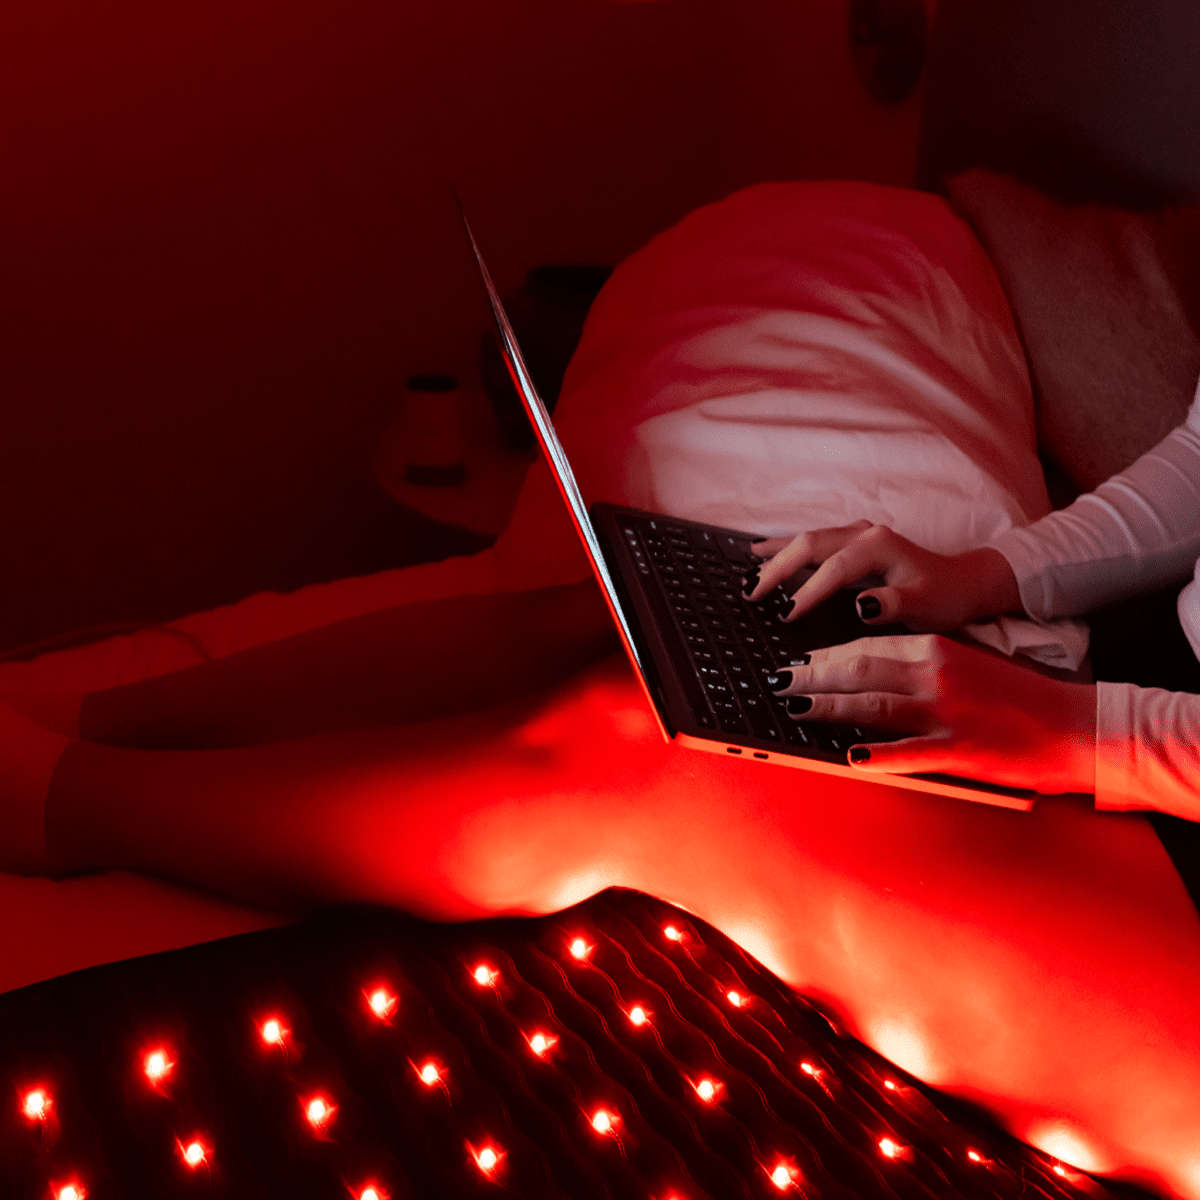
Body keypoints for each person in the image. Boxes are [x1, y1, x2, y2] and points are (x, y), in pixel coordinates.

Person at [2, 179, 1200, 1196]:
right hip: (1153, 710)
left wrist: (1079, 734)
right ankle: (95, 718)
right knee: (638, 620)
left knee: (649, 760)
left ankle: (67, 803)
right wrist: (986, 572)